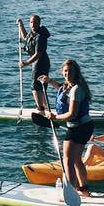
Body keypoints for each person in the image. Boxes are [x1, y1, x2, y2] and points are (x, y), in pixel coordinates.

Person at [41, 59, 94, 197]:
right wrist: (49, 81)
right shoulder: (68, 86)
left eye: (70, 71)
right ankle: (84, 190)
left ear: (76, 72)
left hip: (80, 127)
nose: (67, 74)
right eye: (65, 71)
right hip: (83, 126)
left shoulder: (77, 89)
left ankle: (71, 191)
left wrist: (54, 117)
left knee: (67, 160)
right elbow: (61, 89)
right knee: (76, 160)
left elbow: (72, 114)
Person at [17, 14, 51, 112]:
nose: (33, 24)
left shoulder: (40, 36)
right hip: (36, 63)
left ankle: (41, 109)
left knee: (36, 86)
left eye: (35, 22)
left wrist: (25, 63)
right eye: (31, 22)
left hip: (41, 63)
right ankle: (45, 108)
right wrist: (21, 25)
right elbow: (25, 38)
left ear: (39, 23)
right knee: (39, 86)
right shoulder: (33, 33)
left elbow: (38, 54)